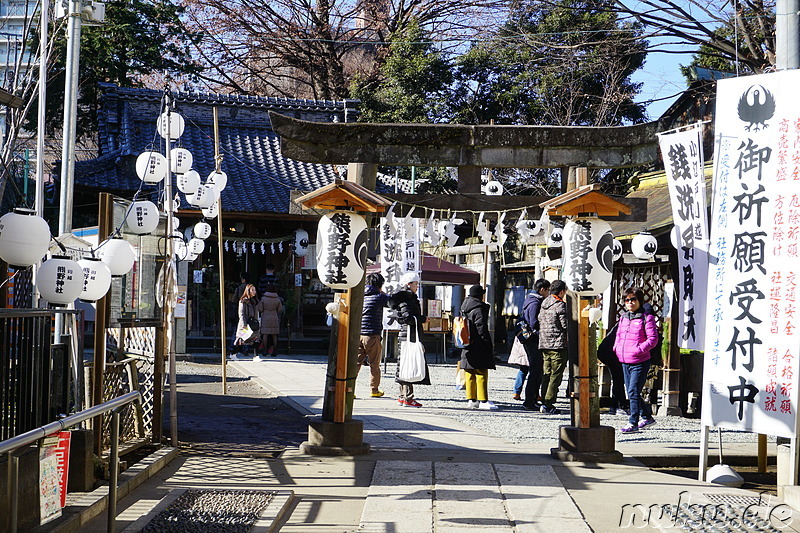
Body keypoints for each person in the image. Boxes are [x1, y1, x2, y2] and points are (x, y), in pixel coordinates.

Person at [614, 288, 659, 433]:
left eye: (633, 299)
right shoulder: (624, 317)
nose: (630, 303)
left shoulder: (647, 317)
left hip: (639, 360)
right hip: (624, 359)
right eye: (627, 300)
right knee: (631, 391)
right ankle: (647, 416)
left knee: (633, 391)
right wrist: (617, 347)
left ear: (639, 301)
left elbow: (653, 339)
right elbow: (619, 335)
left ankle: (633, 422)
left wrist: (639, 350)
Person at [388, 272, 429, 407]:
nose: (417, 286)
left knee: (404, 364)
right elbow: (408, 318)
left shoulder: (405, 298)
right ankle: (408, 397)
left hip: (407, 334)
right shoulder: (407, 299)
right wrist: (422, 319)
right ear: (408, 284)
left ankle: (402, 396)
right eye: (416, 284)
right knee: (409, 364)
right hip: (409, 335)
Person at [460, 284, 497, 410]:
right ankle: (483, 400)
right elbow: (482, 329)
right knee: (481, 372)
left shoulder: (464, 307)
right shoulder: (478, 309)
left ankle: (472, 399)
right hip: (478, 345)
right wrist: (488, 344)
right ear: (480, 295)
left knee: (469, 372)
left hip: (466, 344)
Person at [538, 280, 568, 415]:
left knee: (547, 374)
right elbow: (565, 325)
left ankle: (544, 399)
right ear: (561, 292)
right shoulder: (560, 305)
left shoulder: (544, 303)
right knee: (555, 375)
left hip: (544, 343)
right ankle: (548, 403)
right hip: (557, 345)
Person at [358, 273, 389, 398]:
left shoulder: (361, 296)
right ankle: (374, 390)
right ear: (379, 284)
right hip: (372, 335)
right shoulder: (379, 297)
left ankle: (348, 388)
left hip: (359, 335)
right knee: (374, 364)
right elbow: (391, 301)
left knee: (355, 363)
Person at [521, 278, 550, 411]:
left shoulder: (530, 300)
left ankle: (531, 399)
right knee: (535, 371)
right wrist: (541, 332)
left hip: (530, 341)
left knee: (535, 370)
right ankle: (529, 400)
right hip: (533, 341)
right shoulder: (535, 303)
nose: (548, 293)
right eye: (547, 290)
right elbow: (533, 323)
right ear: (542, 289)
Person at [232, 284, 259, 360]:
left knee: (255, 339)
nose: (254, 292)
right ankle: (233, 353)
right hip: (246, 323)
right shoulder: (243, 301)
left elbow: (256, 313)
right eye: (252, 290)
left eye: (255, 290)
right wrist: (243, 324)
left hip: (253, 323)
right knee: (241, 339)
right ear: (248, 291)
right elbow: (241, 314)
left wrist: (257, 322)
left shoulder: (255, 301)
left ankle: (256, 356)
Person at [256, 283, 283, 360]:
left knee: (265, 334)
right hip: (274, 316)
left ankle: (265, 350)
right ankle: (274, 351)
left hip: (265, 316)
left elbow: (260, 309)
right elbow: (280, 309)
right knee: (274, 334)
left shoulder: (264, 298)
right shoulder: (277, 299)